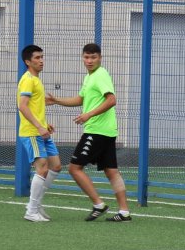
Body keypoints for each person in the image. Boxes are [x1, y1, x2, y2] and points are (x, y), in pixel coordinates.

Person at [46, 42, 131, 221]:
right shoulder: (89, 77)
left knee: (74, 168)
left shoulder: (101, 75)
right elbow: (81, 99)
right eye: (86, 57)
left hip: (97, 131)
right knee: (111, 171)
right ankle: (124, 212)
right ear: (82, 58)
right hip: (107, 131)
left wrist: (89, 114)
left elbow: (111, 100)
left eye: (93, 57)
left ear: (100, 58)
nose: (90, 61)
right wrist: (57, 101)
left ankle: (98, 204)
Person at [18, 45, 61, 222]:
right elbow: (22, 106)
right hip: (32, 133)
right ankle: (31, 211)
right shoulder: (28, 80)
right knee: (42, 168)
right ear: (28, 61)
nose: (41, 60)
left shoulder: (36, 79)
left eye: (42, 57)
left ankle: (35, 204)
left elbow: (34, 104)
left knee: (56, 166)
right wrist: (39, 126)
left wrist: (44, 124)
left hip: (41, 131)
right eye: (37, 58)